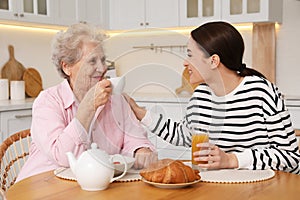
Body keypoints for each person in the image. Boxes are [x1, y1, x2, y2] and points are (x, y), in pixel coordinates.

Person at [125, 21, 300, 174]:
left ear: (213, 61)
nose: (185, 62)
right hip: (220, 186)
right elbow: (185, 136)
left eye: (190, 55)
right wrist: (141, 113)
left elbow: (291, 158)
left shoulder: (262, 93)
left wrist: (232, 160)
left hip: (263, 189)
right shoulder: (201, 95)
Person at [16, 23, 157, 182]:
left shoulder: (116, 99)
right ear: (67, 67)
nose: (102, 68)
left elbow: (136, 138)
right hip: (44, 187)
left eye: (103, 60)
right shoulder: (48, 101)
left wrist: (141, 149)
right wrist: (88, 107)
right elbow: (63, 157)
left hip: (95, 187)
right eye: (92, 61)